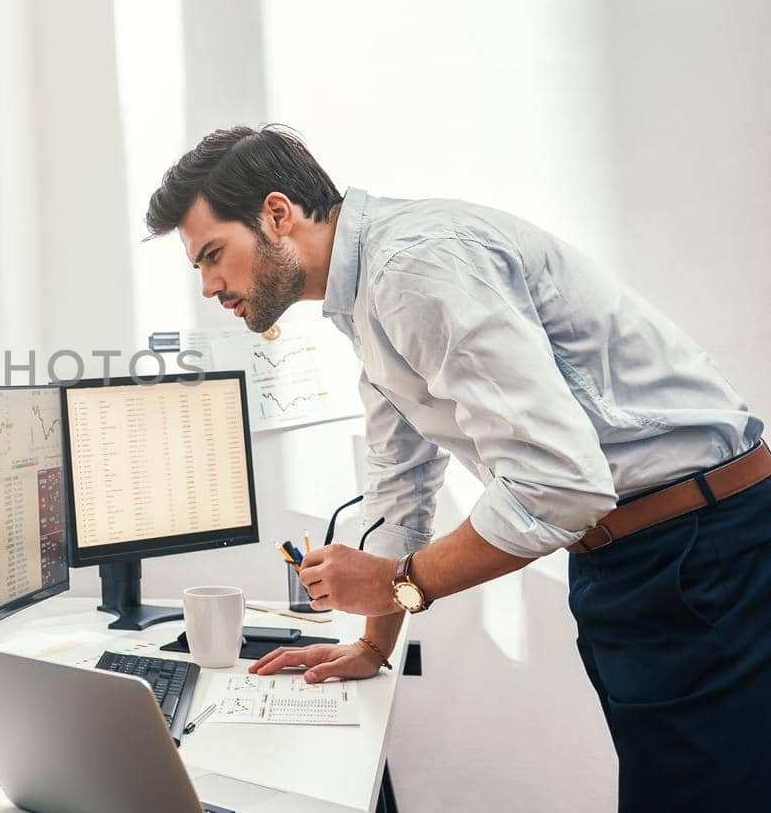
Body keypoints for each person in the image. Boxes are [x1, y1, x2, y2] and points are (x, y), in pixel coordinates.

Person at [144, 125, 768, 810]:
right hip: (635, 559)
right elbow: (400, 482)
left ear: (276, 214)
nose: (208, 287)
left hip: (701, 553)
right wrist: (374, 641)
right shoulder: (365, 294)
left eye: (211, 256)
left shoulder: (415, 266)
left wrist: (396, 582)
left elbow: (559, 484)